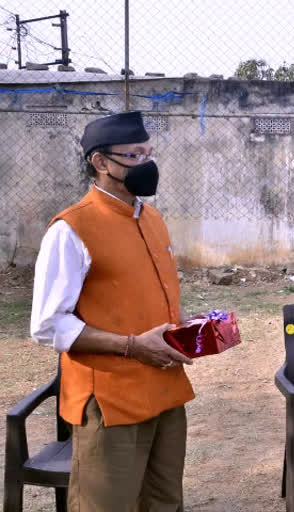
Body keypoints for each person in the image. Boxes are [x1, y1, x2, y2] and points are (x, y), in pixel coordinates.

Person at [30, 111, 195, 511]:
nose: (146, 164)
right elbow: (48, 325)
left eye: (149, 152)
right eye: (134, 155)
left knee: (164, 502)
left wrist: (185, 330)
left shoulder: (152, 219)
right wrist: (133, 346)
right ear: (101, 163)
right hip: (110, 402)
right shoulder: (71, 229)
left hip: (166, 391)